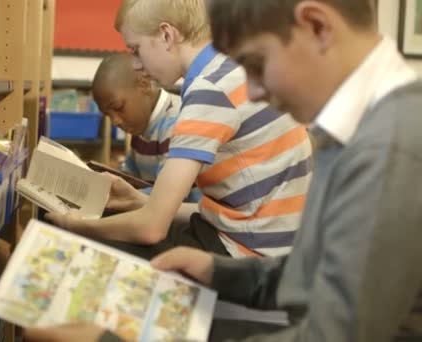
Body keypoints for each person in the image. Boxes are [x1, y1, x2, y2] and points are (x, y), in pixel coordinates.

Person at [25, 0, 422, 340]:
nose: (252, 93)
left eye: (256, 63)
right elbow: (310, 271)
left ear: (317, 27)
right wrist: (219, 272)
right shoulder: (355, 127)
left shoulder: (391, 146)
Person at [47, 0, 312, 260]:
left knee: (72, 239)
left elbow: (151, 229)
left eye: (136, 50)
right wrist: (139, 201)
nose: (137, 65)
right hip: (274, 243)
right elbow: (228, 212)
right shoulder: (231, 67)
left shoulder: (211, 90)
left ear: (166, 35)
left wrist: (76, 227)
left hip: (248, 254)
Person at [92, 53, 201, 202]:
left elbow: (168, 196)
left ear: (144, 85)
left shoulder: (176, 124)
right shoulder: (141, 129)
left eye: (118, 108)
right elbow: (129, 176)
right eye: (107, 115)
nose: (115, 121)